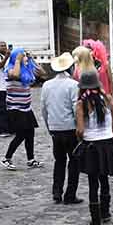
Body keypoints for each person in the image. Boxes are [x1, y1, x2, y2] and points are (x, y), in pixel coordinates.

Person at [74, 69, 113, 225]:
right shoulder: (106, 98)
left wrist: (80, 138)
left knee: (93, 182)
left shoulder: (81, 103)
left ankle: (95, 219)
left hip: (91, 144)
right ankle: (106, 213)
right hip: (107, 142)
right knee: (105, 179)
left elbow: (80, 130)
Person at [40, 52, 82, 205]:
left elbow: (44, 109)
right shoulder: (73, 85)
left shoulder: (47, 85)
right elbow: (76, 108)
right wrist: (79, 127)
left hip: (55, 128)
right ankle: (70, 194)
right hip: (70, 128)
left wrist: (49, 126)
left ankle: (56, 192)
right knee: (74, 161)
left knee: (59, 161)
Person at [2, 48, 41, 171]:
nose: (24, 58)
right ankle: (7, 158)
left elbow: (41, 72)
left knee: (30, 133)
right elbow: (15, 74)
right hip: (15, 108)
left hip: (26, 108)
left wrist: (31, 59)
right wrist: (17, 60)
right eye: (22, 56)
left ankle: (31, 159)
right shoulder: (9, 69)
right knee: (21, 134)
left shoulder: (26, 69)